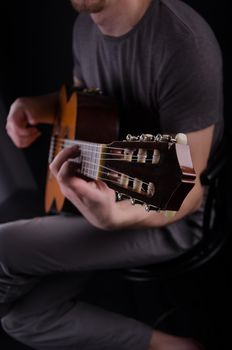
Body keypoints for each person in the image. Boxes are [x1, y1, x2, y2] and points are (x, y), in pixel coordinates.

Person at [0, 0, 223, 349]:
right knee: (24, 317)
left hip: (171, 217)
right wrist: (39, 107)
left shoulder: (183, 41)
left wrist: (115, 217)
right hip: (103, 192)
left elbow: (189, 191)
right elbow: (95, 107)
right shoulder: (85, 27)